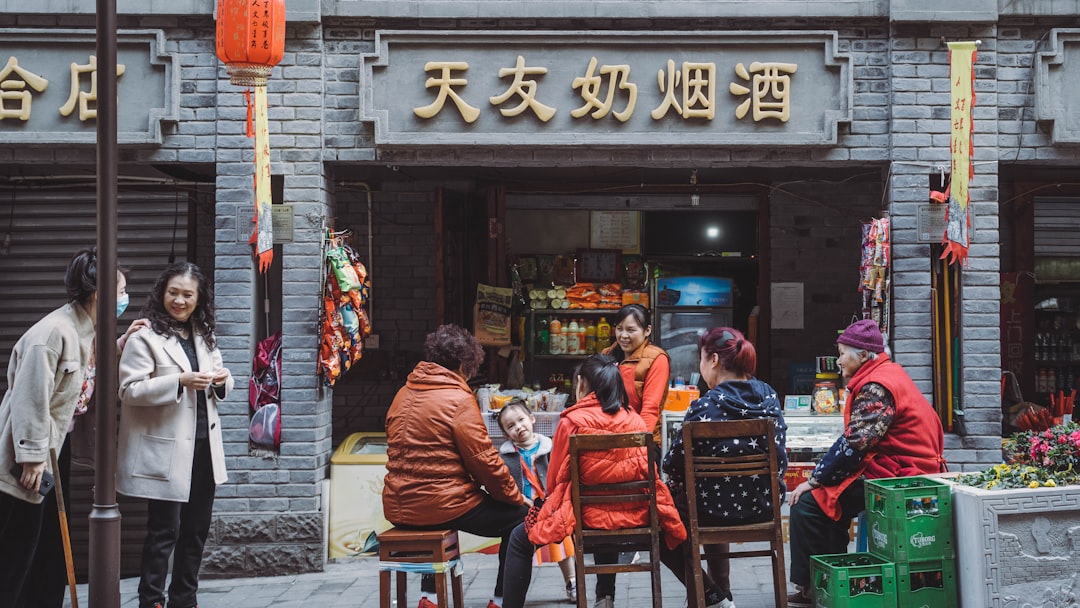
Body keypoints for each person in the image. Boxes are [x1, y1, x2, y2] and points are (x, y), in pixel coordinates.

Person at [0, 247, 142, 606]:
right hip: (25, 453)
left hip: (53, 450)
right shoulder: (52, 333)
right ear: (100, 294)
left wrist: (122, 344)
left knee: (49, 541)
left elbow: (89, 369)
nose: (126, 297)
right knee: (20, 542)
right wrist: (31, 458)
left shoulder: (89, 329)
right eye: (122, 290)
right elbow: (29, 398)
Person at [500, 353, 688, 608]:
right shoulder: (634, 419)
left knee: (519, 538)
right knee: (605, 511)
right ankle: (606, 597)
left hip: (587, 516)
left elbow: (554, 480)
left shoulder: (572, 421)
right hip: (636, 514)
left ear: (581, 383)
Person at [785, 319, 946, 608]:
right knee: (825, 502)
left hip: (904, 472)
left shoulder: (876, 387)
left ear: (862, 355)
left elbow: (856, 442)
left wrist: (814, 479)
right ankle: (829, 583)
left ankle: (815, 587)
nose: (838, 361)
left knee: (809, 505)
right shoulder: (886, 372)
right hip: (894, 464)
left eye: (842, 353)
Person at [382, 324, 527, 608]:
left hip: (399, 507)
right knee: (521, 521)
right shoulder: (459, 399)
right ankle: (501, 602)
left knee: (440, 508)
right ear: (463, 364)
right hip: (442, 505)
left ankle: (430, 598)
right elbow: (484, 462)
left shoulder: (402, 393)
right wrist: (515, 497)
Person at [117, 261, 234, 608]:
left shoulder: (203, 334)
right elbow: (129, 390)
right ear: (161, 293)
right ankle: (151, 600)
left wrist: (223, 380)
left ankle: (185, 599)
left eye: (187, 294)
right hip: (166, 450)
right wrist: (179, 382)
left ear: (199, 299)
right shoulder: (144, 336)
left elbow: (218, 380)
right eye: (173, 293)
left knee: (196, 532)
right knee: (163, 532)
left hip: (204, 448)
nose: (179, 301)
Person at [661, 327, 788, 608]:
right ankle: (723, 590)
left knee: (660, 521)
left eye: (702, 359)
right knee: (711, 496)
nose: (701, 366)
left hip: (712, 507)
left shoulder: (703, 407)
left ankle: (711, 595)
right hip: (763, 505)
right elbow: (781, 458)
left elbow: (673, 463)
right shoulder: (769, 397)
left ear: (714, 360)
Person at [495, 400, 577, 604]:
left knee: (563, 544)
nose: (518, 427)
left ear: (532, 419)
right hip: (524, 508)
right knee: (520, 547)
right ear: (506, 434)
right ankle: (513, 589)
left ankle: (572, 581)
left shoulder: (548, 447)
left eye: (521, 420)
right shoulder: (505, 456)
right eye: (511, 426)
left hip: (550, 505)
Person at [601, 304, 670, 445]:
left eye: (631, 330)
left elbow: (650, 409)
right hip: (607, 435)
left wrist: (637, 444)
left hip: (641, 438)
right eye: (619, 329)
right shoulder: (606, 354)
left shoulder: (657, 359)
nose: (623, 335)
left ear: (647, 331)